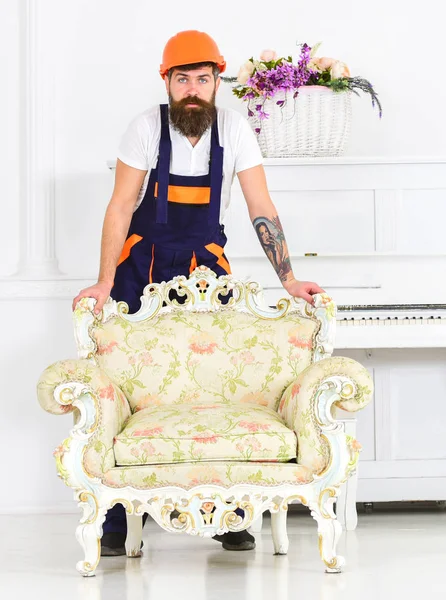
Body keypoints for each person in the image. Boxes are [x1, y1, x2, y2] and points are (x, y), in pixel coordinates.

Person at [73, 30, 324, 556]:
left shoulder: (235, 130)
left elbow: (261, 207)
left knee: (212, 375)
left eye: (202, 79)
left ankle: (228, 512)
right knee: (125, 378)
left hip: (207, 266)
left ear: (217, 83)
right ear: (166, 82)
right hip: (140, 263)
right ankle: (117, 520)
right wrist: (102, 280)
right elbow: (120, 207)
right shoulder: (145, 128)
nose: (192, 89)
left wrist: (288, 279)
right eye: (182, 78)